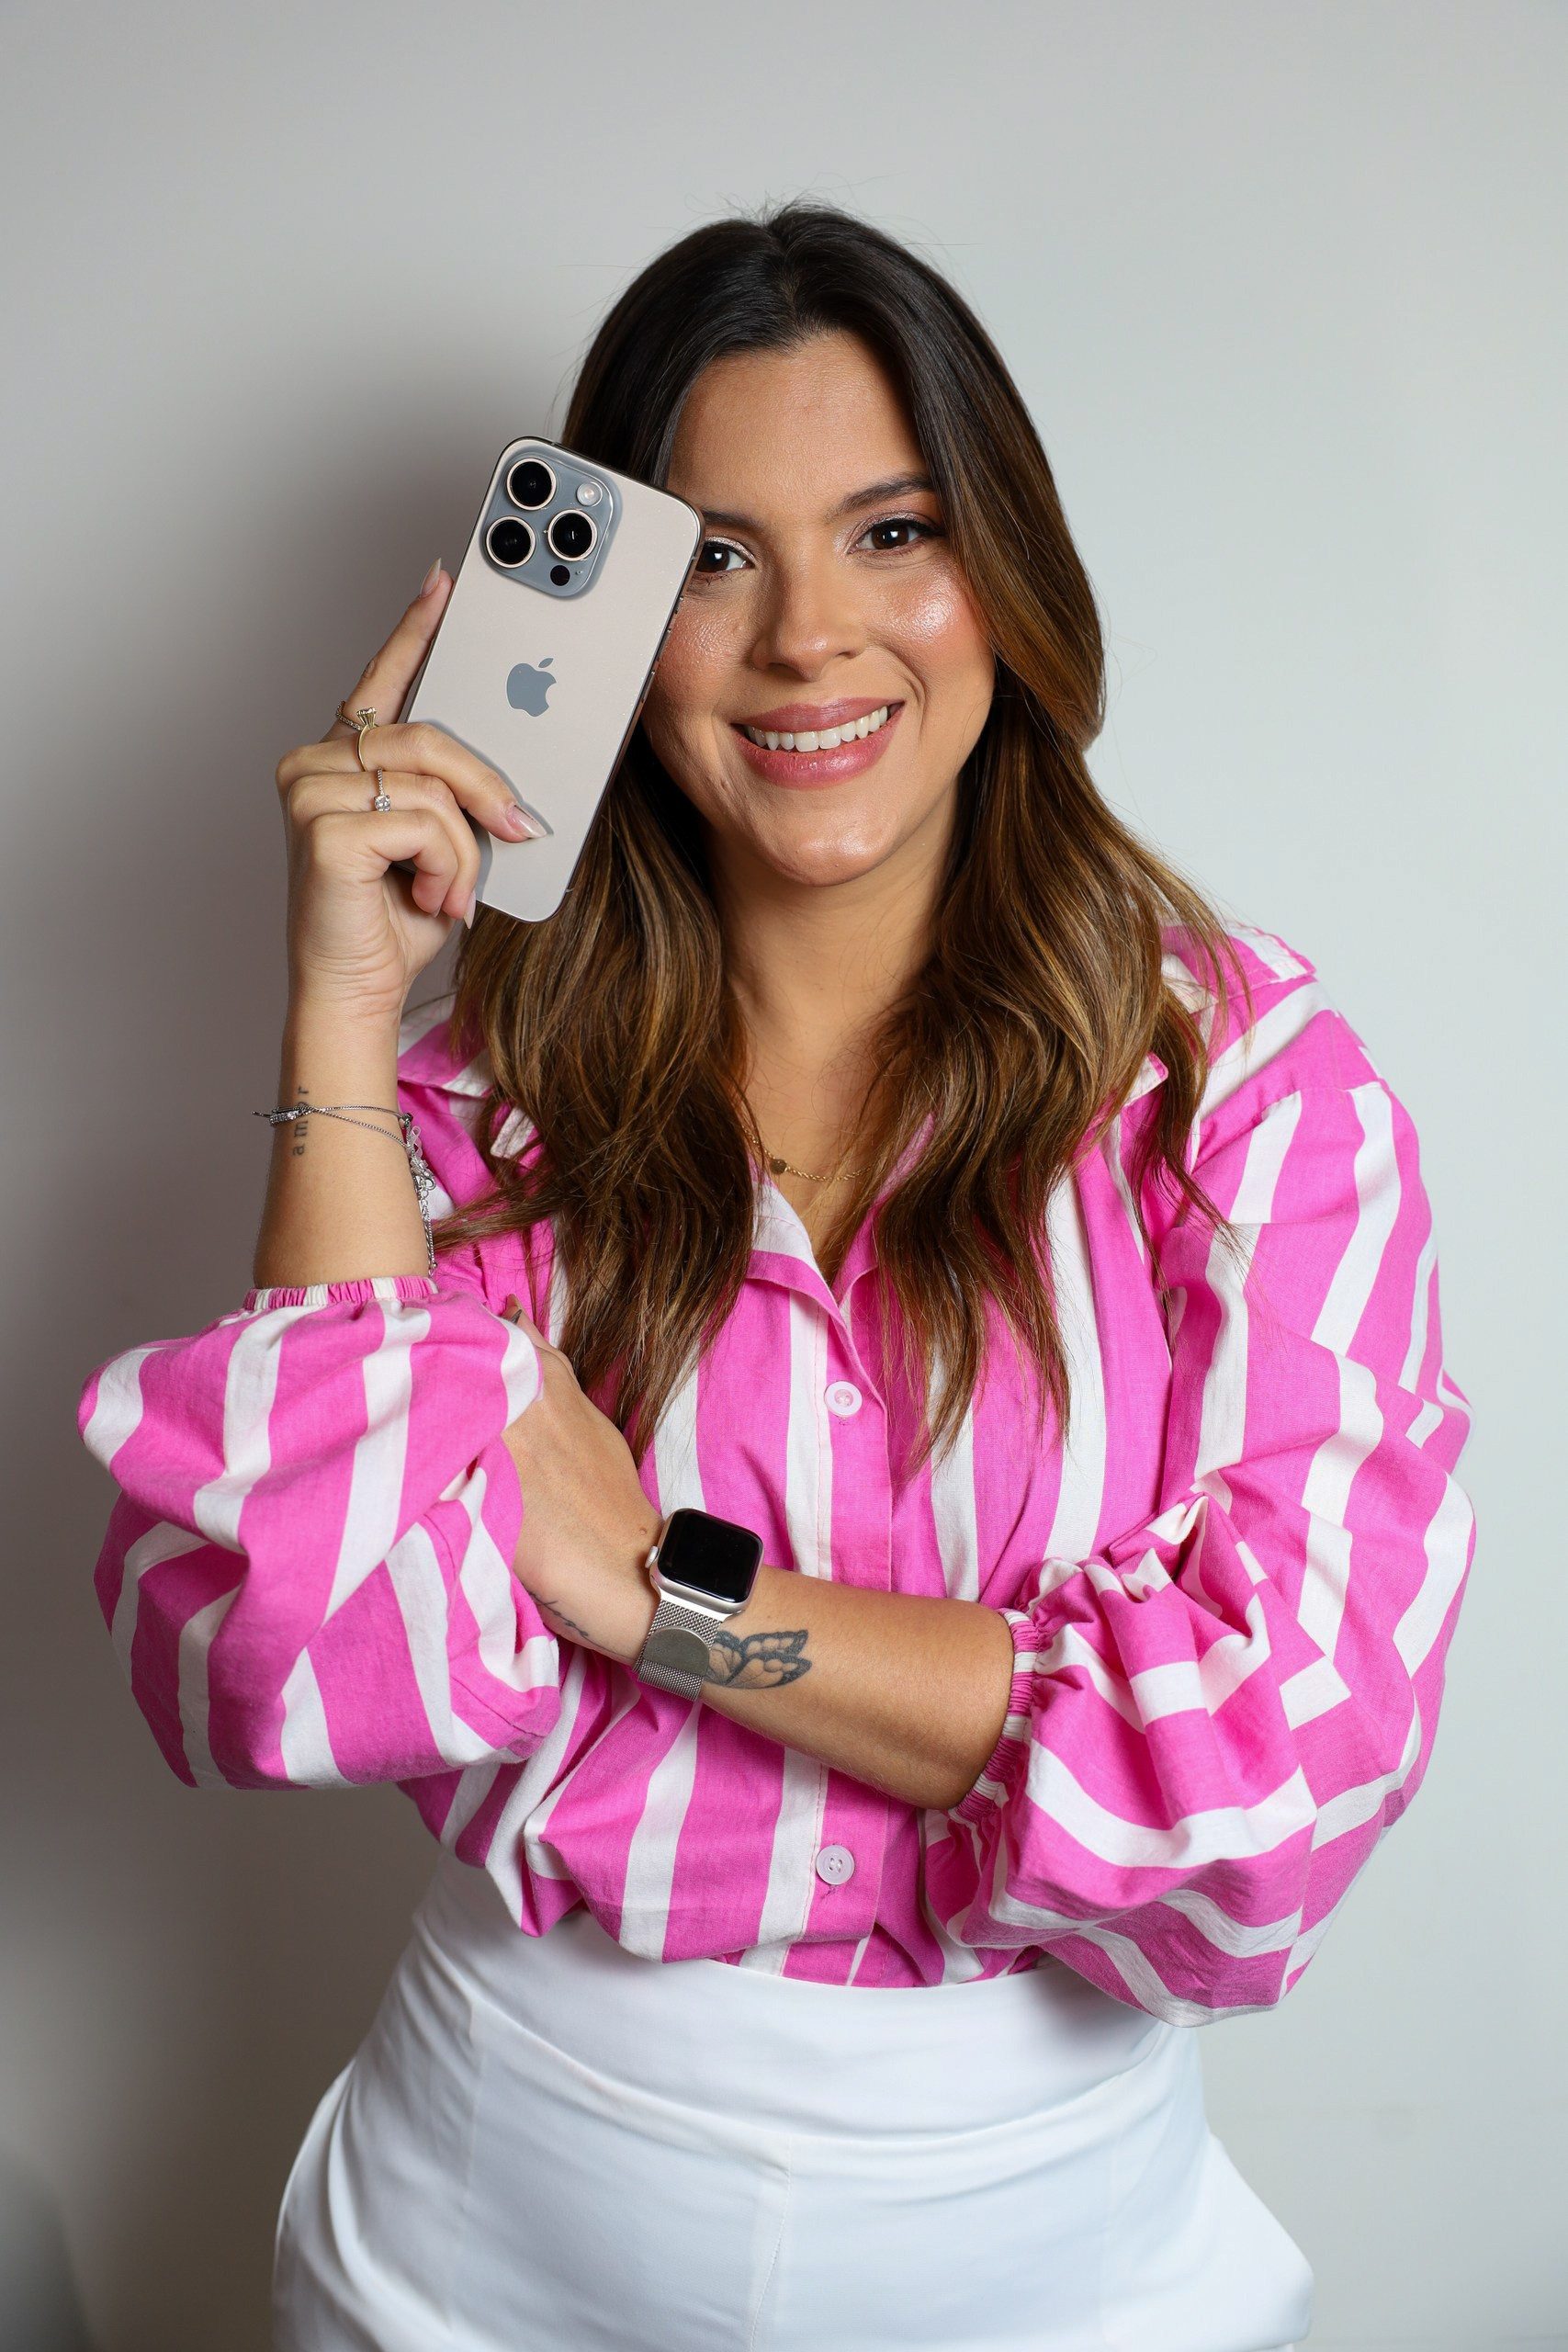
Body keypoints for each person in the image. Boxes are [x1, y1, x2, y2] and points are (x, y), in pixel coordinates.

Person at [78, 204, 1474, 2352]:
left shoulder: (1240, 1085)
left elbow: (1278, 1766)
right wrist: (342, 999)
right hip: (471, 2244)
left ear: (1006, 572)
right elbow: (302, 1652)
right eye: (715, 559)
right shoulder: (462, 1112)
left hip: (1062, 2257)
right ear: (613, 631)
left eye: (891, 531)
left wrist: (663, 1591)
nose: (810, 635)